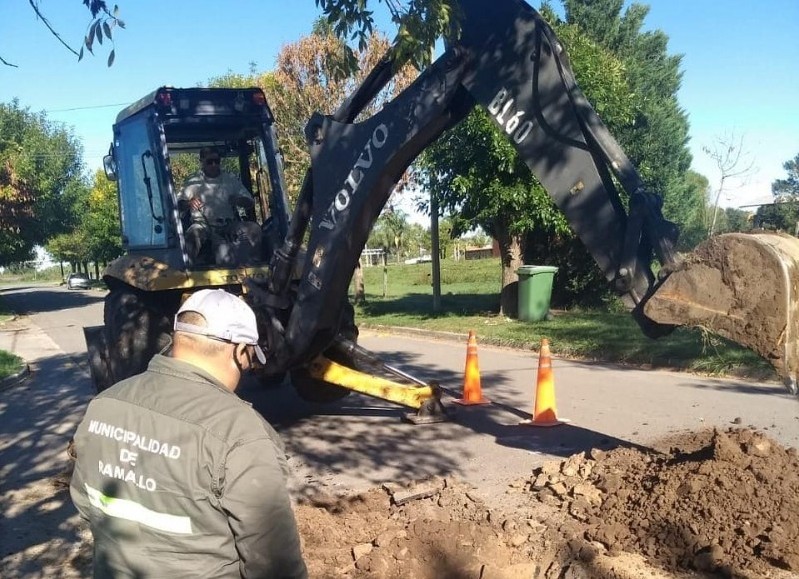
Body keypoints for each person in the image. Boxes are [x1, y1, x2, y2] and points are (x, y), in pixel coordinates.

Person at [70, 289, 308, 579]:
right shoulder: (240, 432)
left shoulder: (105, 404)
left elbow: (85, 501)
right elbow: (272, 563)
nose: (246, 368)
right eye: (248, 359)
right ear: (239, 351)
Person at [178, 147, 262, 266]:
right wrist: (188, 203)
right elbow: (179, 204)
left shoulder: (230, 179)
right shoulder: (193, 181)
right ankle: (186, 270)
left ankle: (254, 265)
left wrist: (239, 200)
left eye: (216, 161)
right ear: (201, 162)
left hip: (229, 224)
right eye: (209, 162)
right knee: (191, 238)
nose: (214, 165)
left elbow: (249, 202)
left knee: (254, 229)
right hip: (202, 225)